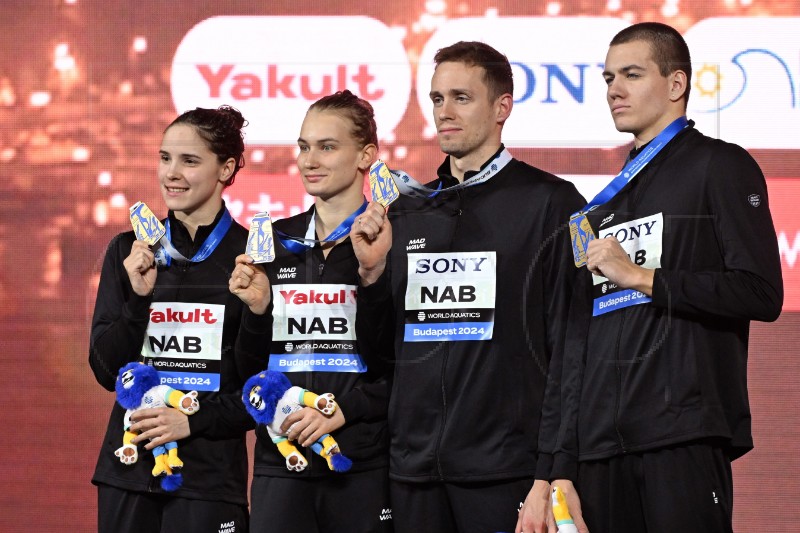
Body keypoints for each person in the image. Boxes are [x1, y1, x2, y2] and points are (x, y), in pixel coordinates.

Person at [541, 22, 783, 533]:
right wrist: (562, 464)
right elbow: (576, 345)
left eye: (631, 74)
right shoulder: (600, 209)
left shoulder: (721, 165)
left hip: (682, 435)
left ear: (676, 85)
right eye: (608, 77)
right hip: (599, 448)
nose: (614, 90)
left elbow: (760, 291)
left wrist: (642, 276)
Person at [351, 41, 585, 533]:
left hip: (506, 472)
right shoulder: (407, 211)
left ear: (502, 108)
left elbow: (570, 347)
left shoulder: (550, 202)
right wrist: (371, 278)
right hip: (413, 473)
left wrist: (552, 471)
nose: (444, 112)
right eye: (436, 99)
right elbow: (376, 357)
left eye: (461, 97)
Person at [230, 90, 393, 532]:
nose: (309, 160)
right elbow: (247, 370)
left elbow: (400, 365)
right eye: (303, 146)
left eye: (327, 146)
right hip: (282, 463)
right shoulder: (274, 242)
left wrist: (345, 410)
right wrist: (258, 311)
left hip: (360, 462)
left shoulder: (390, 242)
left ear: (366, 156)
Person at [89, 106, 253, 532]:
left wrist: (191, 420)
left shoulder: (251, 258)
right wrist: (139, 300)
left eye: (189, 160)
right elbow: (107, 371)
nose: (171, 174)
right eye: (165, 158)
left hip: (208, 482)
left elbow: (261, 390)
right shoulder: (129, 250)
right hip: (127, 472)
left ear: (226, 168)